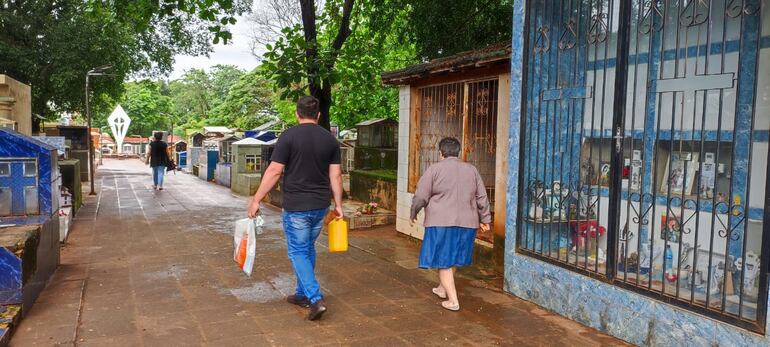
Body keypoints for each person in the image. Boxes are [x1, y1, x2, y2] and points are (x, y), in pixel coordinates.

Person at [247, 96, 344, 321]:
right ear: (318, 115)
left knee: (298, 251)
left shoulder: (288, 136)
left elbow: (274, 171)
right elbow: (336, 175)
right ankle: (301, 293)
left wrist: (256, 200)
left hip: (297, 207)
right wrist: (338, 205)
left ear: (296, 114)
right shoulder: (330, 140)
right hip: (321, 205)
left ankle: (314, 298)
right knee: (307, 248)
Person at [410, 137, 491, 312]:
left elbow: (422, 195)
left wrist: (414, 211)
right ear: (458, 152)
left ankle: (453, 300)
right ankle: (441, 288)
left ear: (440, 153)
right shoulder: (472, 170)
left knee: (443, 261)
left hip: (441, 223)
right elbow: (482, 196)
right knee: (453, 257)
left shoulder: (434, 170)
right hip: (468, 223)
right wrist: (485, 219)